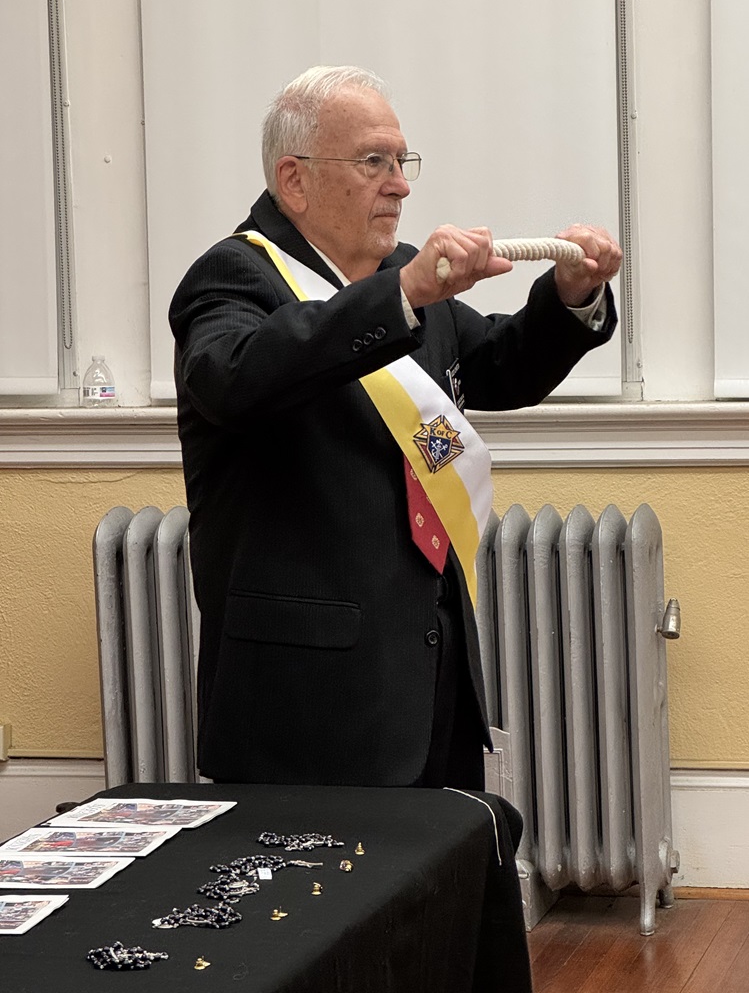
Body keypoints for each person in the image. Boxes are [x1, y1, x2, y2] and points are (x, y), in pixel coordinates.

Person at [169, 65, 621, 793]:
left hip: (428, 675)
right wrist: (402, 295)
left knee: (439, 862)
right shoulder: (232, 276)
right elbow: (231, 376)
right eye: (374, 162)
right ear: (295, 180)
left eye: (401, 161)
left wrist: (573, 296)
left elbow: (495, 368)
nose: (401, 186)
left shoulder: (403, 275)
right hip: (305, 702)